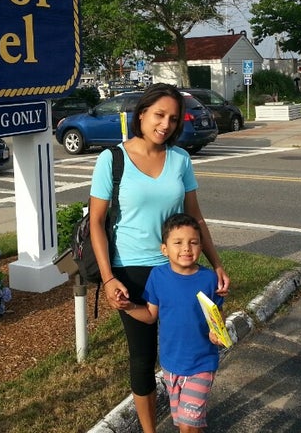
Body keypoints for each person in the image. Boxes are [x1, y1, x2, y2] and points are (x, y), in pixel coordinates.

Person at [89, 83, 230, 433]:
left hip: (178, 267)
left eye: (172, 118)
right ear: (141, 114)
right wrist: (108, 278)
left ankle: (189, 415)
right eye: (158, 115)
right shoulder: (112, 159)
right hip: (131, 268)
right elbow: (96, 222)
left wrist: (216, 264)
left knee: (190, 343)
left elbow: (195, 217)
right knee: (142, 356)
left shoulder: (180, 159)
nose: (165, 124)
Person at [124, 213, 226, 432]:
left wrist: (216, 331)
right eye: (178, 243)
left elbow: (217, 316)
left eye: (193, 242)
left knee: (188, 425)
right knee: (182, 421)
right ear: (164, 249)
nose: (186, 248)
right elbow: (151, 315)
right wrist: (129, 307)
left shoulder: (209, 279)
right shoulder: (158, 277)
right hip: (171, 364)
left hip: (202, 363)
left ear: (201, 246)